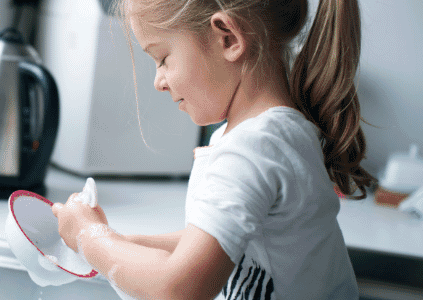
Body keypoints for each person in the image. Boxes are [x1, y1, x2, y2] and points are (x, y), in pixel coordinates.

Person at [51, 0, 376, 299]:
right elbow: (222, 242)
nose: (158, 81)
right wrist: (118, 243)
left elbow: (179, 287)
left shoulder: (255, 147)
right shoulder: (269, 134)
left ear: (229, 39)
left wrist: (89, 236)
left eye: (163, 58)